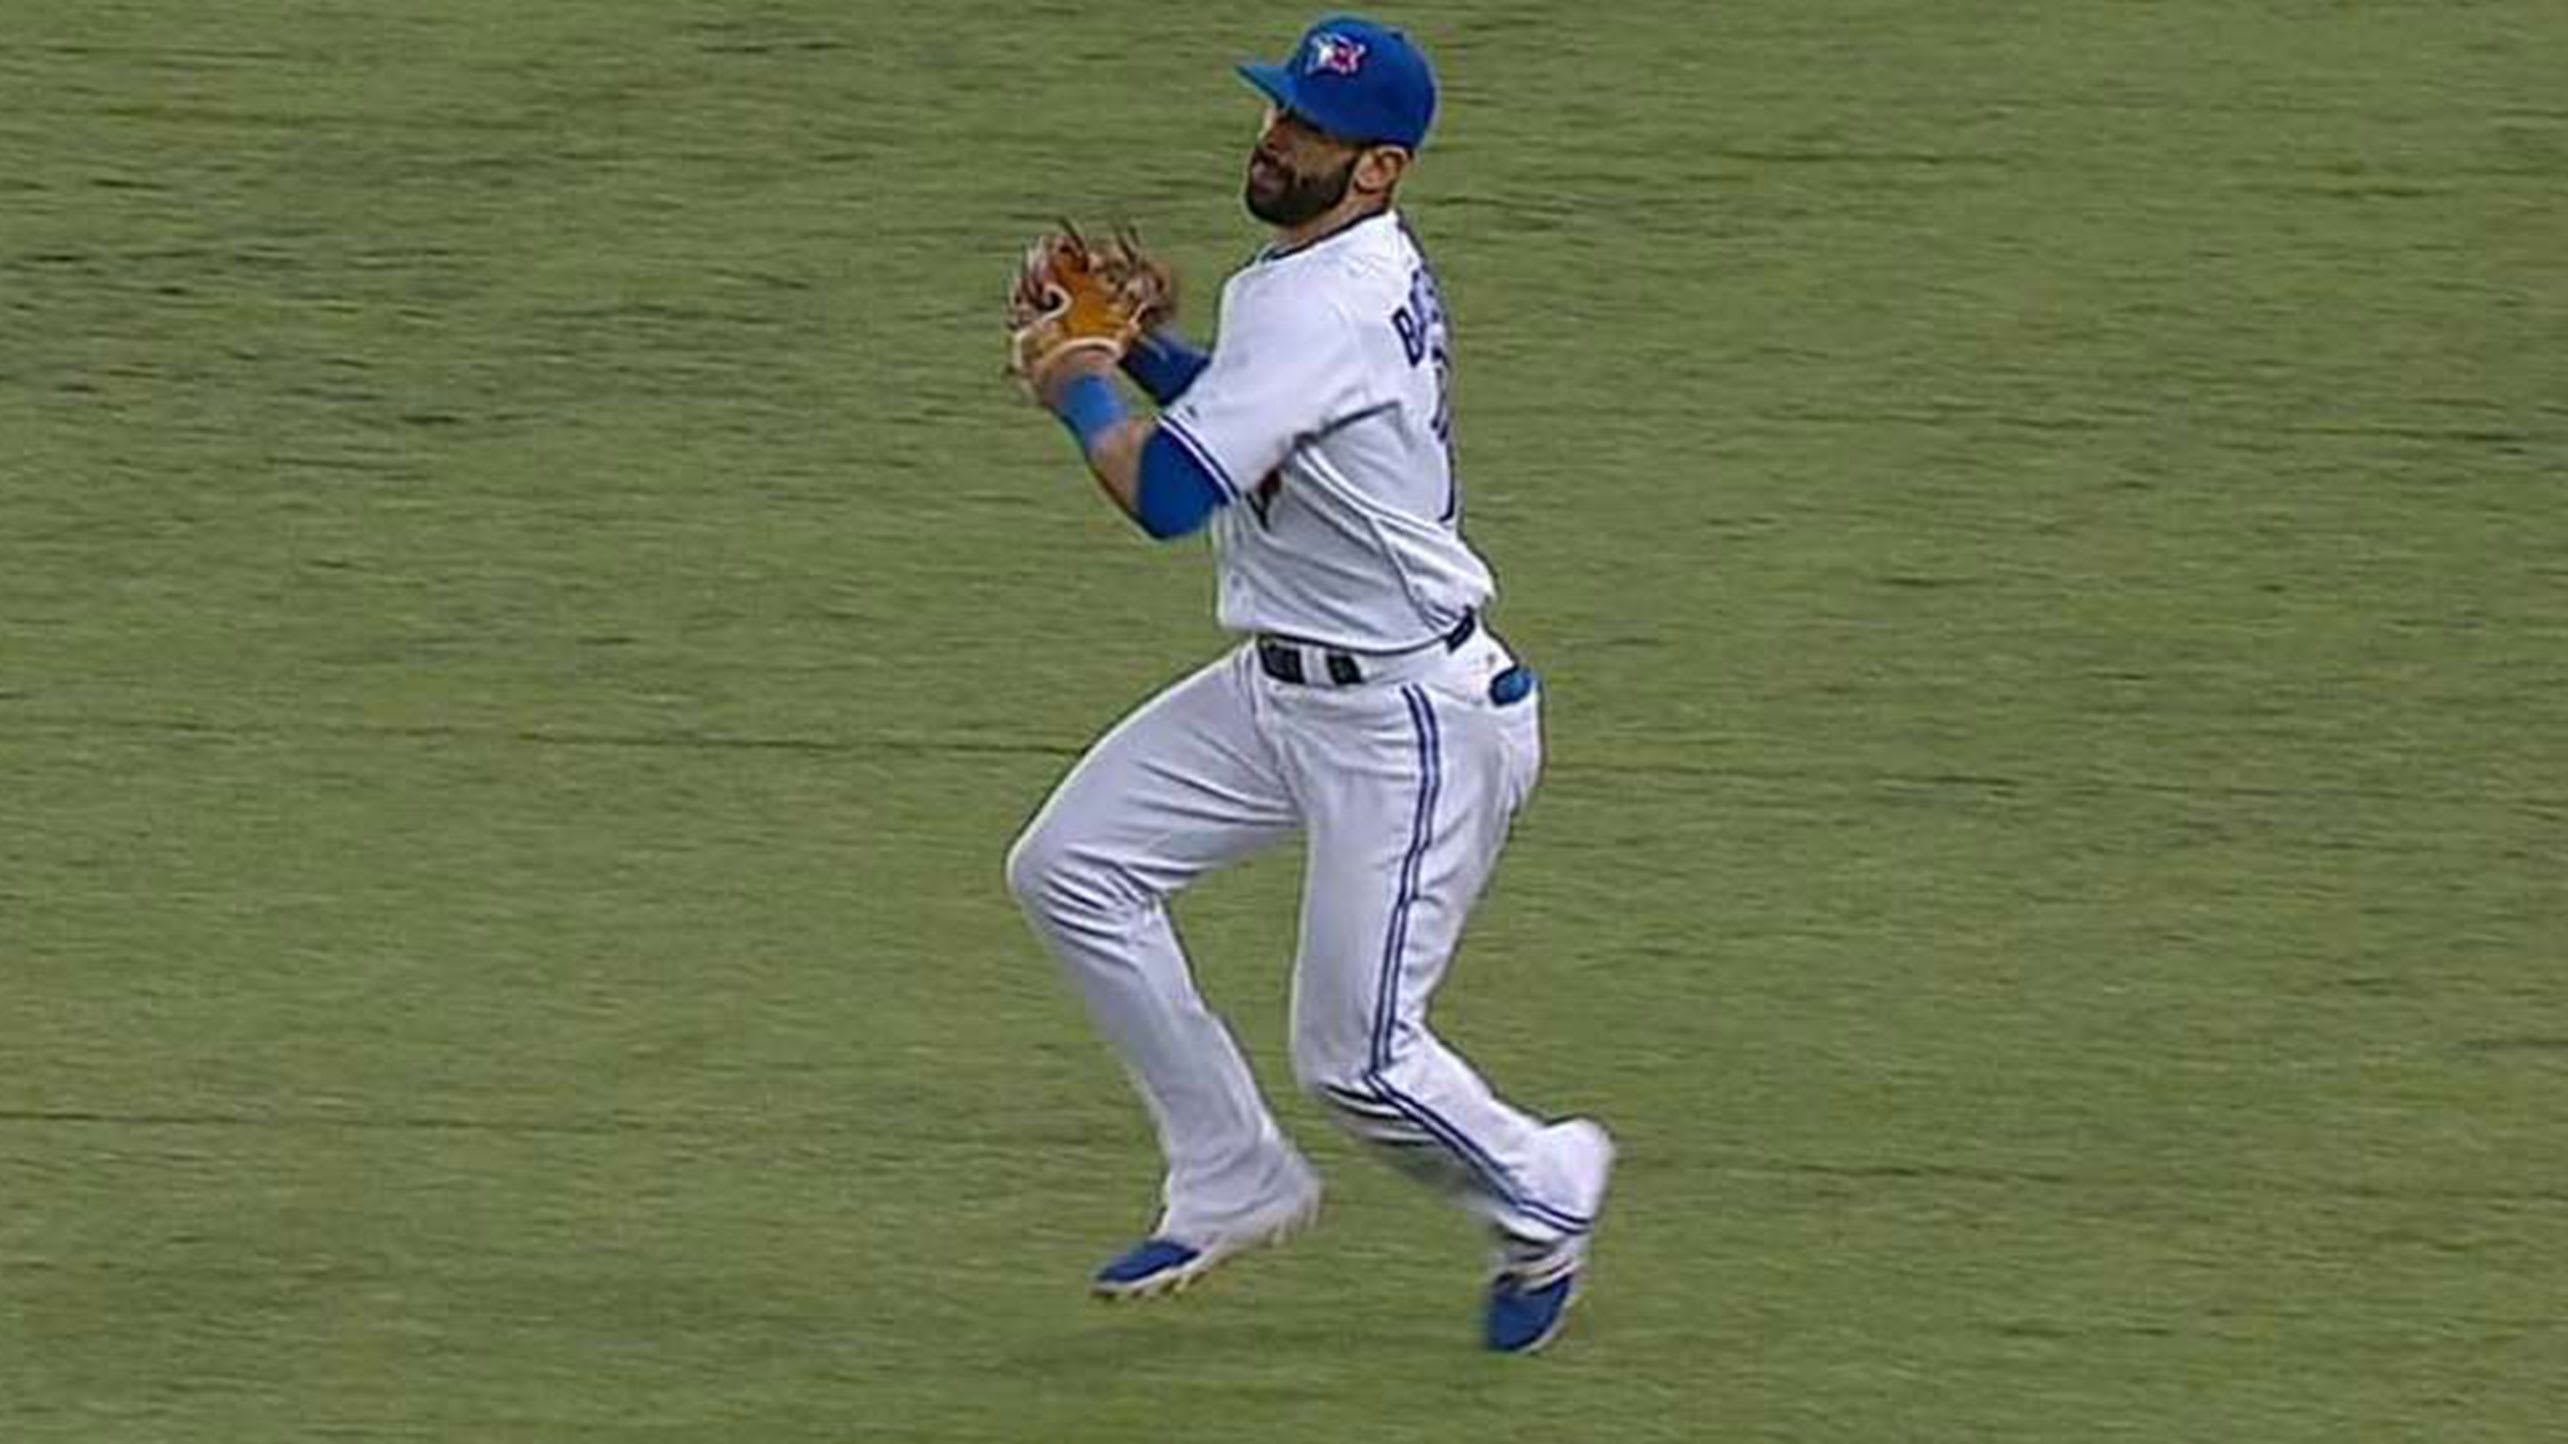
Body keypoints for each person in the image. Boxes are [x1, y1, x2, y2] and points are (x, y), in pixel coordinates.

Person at [1002, 15, 1613, 1354]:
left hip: (1409, 723)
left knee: (1359, 1061)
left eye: (1311, 131)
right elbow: (1282, 436)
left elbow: (1168, 494)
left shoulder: (1325, 297)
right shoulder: (1320, 275)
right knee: (1071, 870)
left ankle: (1548, 1191)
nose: (1277, 138)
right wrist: (1155, 349)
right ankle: (1232, 1172)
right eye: (1280, 112)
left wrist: (1083, 384)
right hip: (1284, 689)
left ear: (1379, 167)